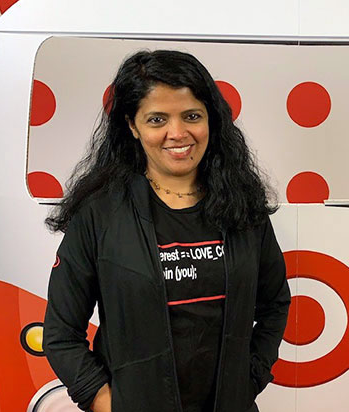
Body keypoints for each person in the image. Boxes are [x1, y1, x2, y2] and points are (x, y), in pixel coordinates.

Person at [43, 49, 291, 412]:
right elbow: (61, 334)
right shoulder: (99, 214)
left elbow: (274, 304)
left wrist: (249, 378)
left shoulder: (243, 207)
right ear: (132, 125)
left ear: (211, 120)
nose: (177, 133)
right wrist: (104, 401)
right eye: (157, 119)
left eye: (192, 116)